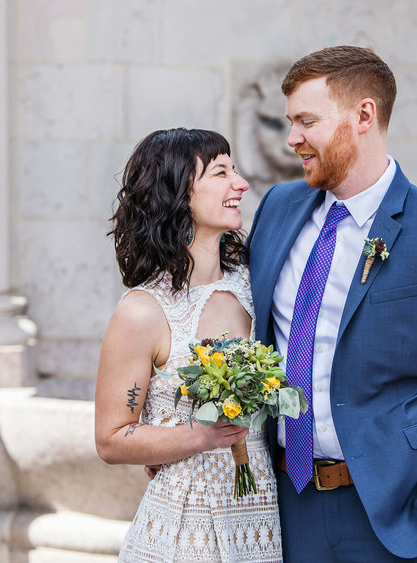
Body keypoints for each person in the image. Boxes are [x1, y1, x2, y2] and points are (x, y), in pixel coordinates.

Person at [247, 46, 417, 561]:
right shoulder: (276, 208)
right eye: (290, 121)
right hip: (286, 510)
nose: (291, 138)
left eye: (306, 121)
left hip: (400, 519)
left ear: (364, 115)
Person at [95, 128, 282, 562]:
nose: (241, 183)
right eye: (221, 173)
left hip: (263, 520)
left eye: (234, 170)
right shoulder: (143, 312)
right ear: (179, 192)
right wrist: (196, 436)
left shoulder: (259, 284)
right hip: (185, 528)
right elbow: (111, 439)